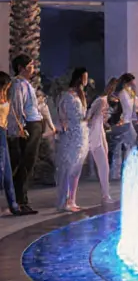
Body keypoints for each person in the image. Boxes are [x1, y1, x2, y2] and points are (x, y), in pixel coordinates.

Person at [5, 54, 44, 214]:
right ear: (21, 68)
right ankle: (20, 201)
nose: (32, 69)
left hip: (34, 123)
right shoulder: (18, 84)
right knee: (25, 163)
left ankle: (22, 200)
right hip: (29, 125)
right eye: (30, 66)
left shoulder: (26, 84)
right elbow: (16, 108)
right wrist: (20, 128)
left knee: (29, 163)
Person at [54, 68, 91, 212]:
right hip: (72, 133)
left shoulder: (79, 95)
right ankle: (65, 200)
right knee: (69, 167)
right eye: (85, 77)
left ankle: (72, 199)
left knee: (77, 168)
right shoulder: (68, 95)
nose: (86, 80)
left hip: (82, 132)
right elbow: (66, 114)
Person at [86, 78, 116, 204]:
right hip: (94, 134)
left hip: (99, 132)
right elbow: (89, 117)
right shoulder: (100, 101)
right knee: (103, 164)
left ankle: (106, 194)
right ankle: (105, 195)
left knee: (104, 164)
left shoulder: (103, 101)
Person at [109, 74, 138, 180]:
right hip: (123, 122)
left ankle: (122, 171)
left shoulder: (130, 92)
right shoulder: (123, 93)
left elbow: (134, 108)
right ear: (128, 82)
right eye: (132, 81)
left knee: (127, 145)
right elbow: (124, 108)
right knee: (126, 145)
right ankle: (119, 172)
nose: (134, 83)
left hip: (128, 121)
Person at [0, 72, 19, 216]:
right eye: (6, 85)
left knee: (7, 172)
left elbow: (10, 113)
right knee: (1, 170)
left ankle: (13, 204)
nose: (7, 88)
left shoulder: (5, 97)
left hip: (3, 132)